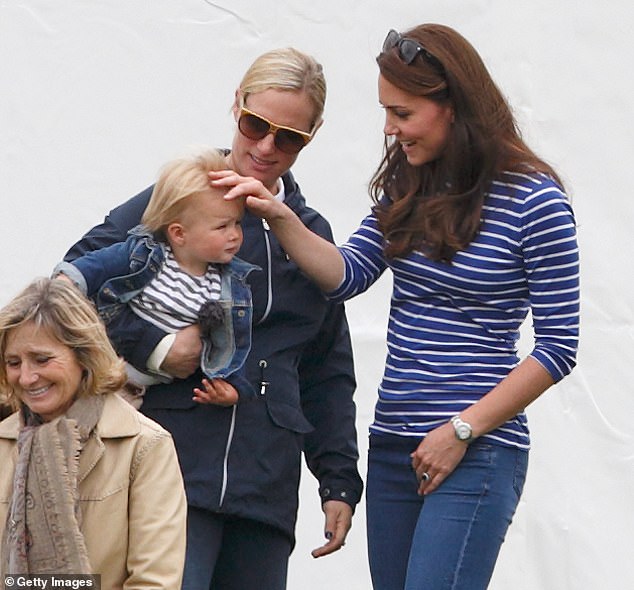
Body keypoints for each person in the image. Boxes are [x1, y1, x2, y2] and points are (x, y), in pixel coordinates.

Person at [212, 24, 580, 590]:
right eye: (386, 111)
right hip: (393, 447)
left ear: (451, 106)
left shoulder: (536, 201)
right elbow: (347, 275)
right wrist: (278, 215)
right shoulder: (408, 184)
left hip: (475, 449)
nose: (389, 128)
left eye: (402, 113)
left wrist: (461, 430)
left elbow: (558, 349)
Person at [62, 47, 363, 589]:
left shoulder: (310, 232)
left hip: (267, 487)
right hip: (168, 465)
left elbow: (326, 367)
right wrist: (155, 346)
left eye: (290, 137)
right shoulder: (180, 195)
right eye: (256, 125)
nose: (266, 147)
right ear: (237, 106)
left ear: (313, 135)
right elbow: (70, 291)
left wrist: (338, 479)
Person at [0, 278, 187, 589]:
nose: (28, 377)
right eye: (13, 363)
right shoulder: (3, 443)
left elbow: (155, 581)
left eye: (42, 359)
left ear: (83, 355)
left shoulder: (145, 446)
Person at [53, 147, 257, 408]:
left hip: (136, 391)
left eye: (237, 223)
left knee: (109, 433)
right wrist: (67, 283)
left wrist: (233, 386)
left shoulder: (226, 287)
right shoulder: (145, 254)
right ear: (179, 234)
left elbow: (231, 342)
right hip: (98, 364)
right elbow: (96, 265)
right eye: (222, 227)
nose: (235, 235)